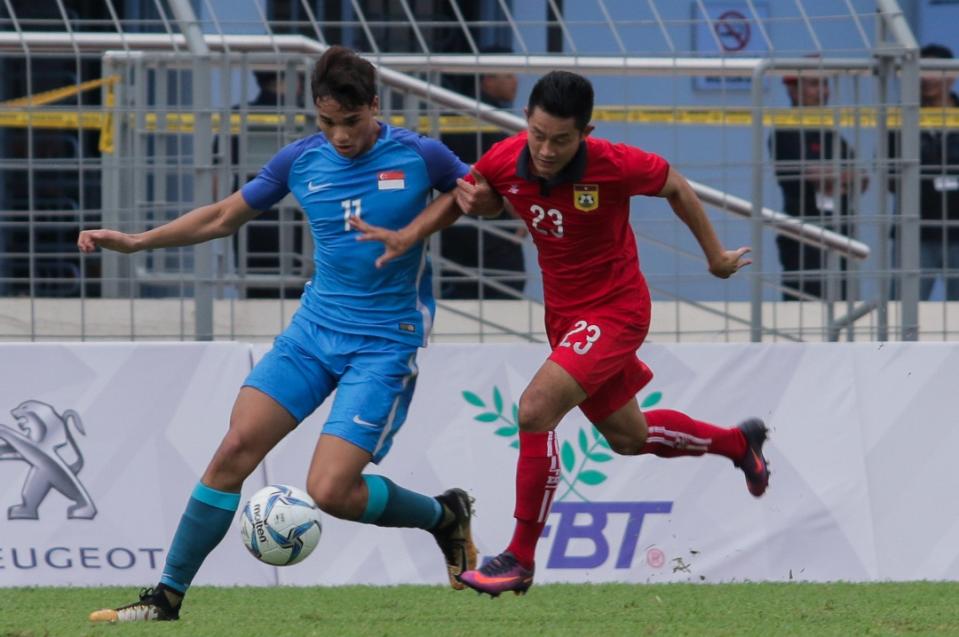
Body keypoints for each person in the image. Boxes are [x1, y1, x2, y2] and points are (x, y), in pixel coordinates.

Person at [80, 46, 476, 623]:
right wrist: (140, 242)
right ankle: (166, 598)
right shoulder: (301, 160)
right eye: (326, 123)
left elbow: (480, 196)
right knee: (236, 447)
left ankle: (445, 516)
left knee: (333, 492)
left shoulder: (420, 155)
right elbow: (222, 217)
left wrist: (421, 225)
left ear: (374, 104)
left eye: (351, 121)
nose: (339, 136)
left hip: (384, 342)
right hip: (313, 333)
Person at [350, 70, 770, 597]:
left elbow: (675, 186)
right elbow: (467, 196)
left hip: (617, 311)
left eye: (562, 139)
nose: (547, 150)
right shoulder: (505, 158)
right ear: (527, 120)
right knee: (628, 438)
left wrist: (714, 256)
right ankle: (738, 443)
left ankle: (519, 559)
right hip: (566, 320)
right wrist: (425, 227)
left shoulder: (614, 164)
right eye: (540, 135)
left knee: (534, 409)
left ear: (586, 133)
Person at [769, 68, 866, 301]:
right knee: (804, 303)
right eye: (814, 84)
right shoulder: (786, 131)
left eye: (825, 84)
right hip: (804, 232)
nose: (822, 92)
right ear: (793, 91)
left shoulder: (831, 133)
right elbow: (813, 176)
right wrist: (840, 177)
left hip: (839, 230)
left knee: (843, 298)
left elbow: (862, 179)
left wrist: (833, 178)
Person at [439, 56, 527, 299]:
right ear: (487, 81)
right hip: (488, 223)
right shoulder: (487, 121)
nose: (515, 82)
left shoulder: (470, 115)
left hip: (462, 220)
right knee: (506, 286)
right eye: (508, 75)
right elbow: (495, 170)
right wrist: (519, 210)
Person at [889, 44, 959, 300]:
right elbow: (890, 177)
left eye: (933, 71)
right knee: (903, 308)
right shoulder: (901, 117)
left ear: (951, 75)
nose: (926, 79)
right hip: (915, 230)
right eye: (920, 71)